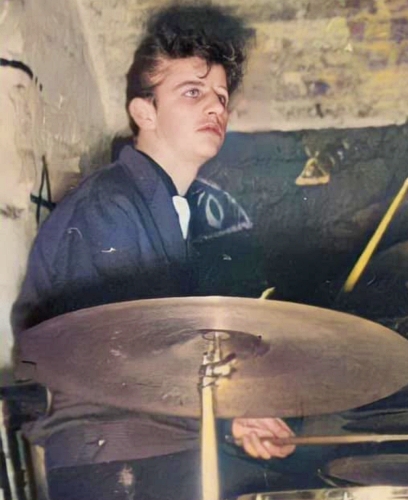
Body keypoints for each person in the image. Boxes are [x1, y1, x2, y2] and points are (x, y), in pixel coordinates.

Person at [11, 4, 296, 499]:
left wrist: (234, 422)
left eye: (221, 97)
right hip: (116, 462)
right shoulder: (109, 207)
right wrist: (234, 410)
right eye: (192, 92)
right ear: (144, 111)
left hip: (155, 448)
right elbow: (126, 357)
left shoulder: (163, 204)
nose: (215, 108)